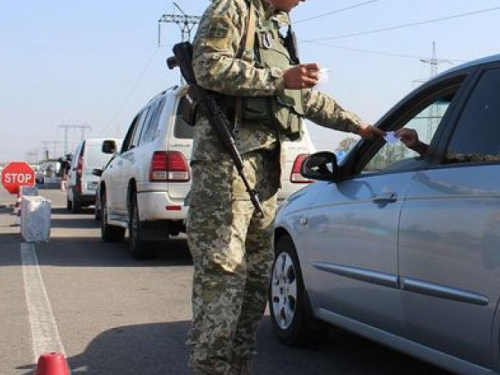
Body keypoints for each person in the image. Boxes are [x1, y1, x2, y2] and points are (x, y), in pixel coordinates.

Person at [186, 1, 384, 374]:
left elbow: (302, 97)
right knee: (223, 278)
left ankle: (238, 367)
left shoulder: (276, 28)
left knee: (256, 279)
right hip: (226, 166)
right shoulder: (232, 9)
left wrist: (359, 126)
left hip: (263, 170)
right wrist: (280, 79)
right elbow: (208, 67)